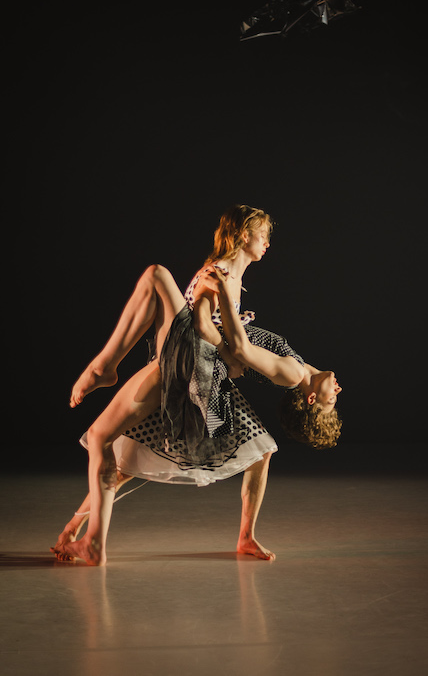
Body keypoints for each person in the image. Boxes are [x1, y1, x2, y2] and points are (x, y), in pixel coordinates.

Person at [52, 206, 341, 565]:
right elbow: (210, 326)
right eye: (263, 233)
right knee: (125, 458)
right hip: (190, 363)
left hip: (188, 363)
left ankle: (103, 367)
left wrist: (227, 345)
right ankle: (76, 532)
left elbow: (214, 332)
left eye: (330, 400)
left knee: (156, 276)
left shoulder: (293, 373)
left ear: (311, 397)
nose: (268, 241)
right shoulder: (301, 366)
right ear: (244, 235)